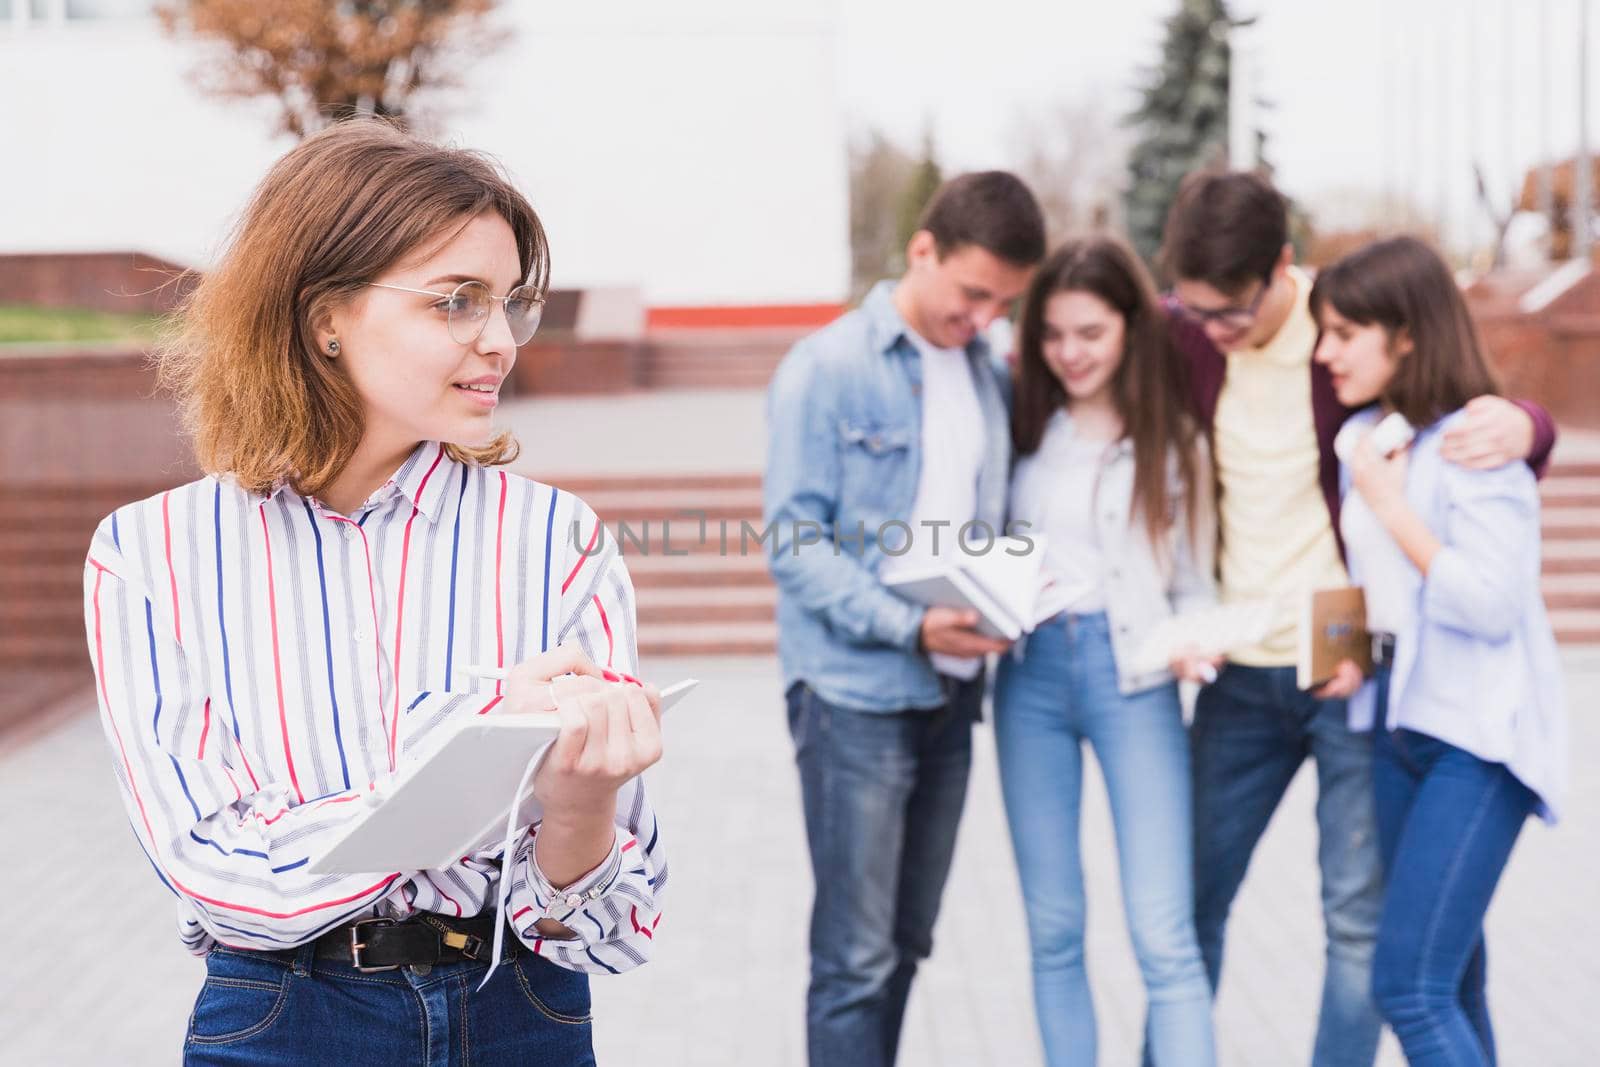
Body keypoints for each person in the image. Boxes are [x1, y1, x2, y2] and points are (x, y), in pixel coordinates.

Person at [83, 120, 666, 1066]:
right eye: (455, 301)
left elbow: (611, 925)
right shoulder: (151, 555)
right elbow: (222, 873)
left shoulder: (557, 540)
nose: (499, 340)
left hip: (521, 1011)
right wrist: (477, 739)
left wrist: (581, 805)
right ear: (325, 317)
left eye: (510, 302)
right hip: (282, 1020)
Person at [1157, 169, 1557, 1067]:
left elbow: (1465, 419)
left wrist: (1530, 426)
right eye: (1196, 312)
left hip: (1376, 687)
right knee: (1193, 908)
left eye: (1230, 312)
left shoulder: (1349, 343)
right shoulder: (1196, 342)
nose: (1211, 330)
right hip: (1267, 674)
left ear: (1281, 270)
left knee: (1378, 947)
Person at [763, 171, 1046, 1067]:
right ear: (923, 250)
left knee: (910, 942)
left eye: (1004, 302)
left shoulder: (985, 375)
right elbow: (794, 542)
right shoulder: (828, 367)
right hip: (855, 695)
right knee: (854, 958)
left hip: (956, 694)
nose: (985, 316)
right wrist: (909, 625)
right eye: (973, 293)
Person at [1310, 236, 1567, 1067]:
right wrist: (1344, 652)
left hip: (1478, 737)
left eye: (1345, 333)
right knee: (1452, 982)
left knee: (1409, 988)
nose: (1326, 352)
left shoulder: (1478, 448)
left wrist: (1395, 509)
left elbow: (1492, 607)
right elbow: (1363, 575)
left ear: (1408, 333)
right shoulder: (1368, 441)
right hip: (1396, 719)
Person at [1000, 235, 1217, 1066]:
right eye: (1053, 334)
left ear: (1131, 324)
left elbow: (1194, 582)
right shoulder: (1026, 426)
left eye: (1089, 332)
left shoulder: (1174, 441)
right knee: (1054, 928)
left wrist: (1192, 638)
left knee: (1165, 935)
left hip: (1136, 678)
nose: (1069, 352)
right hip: (1030, 679)